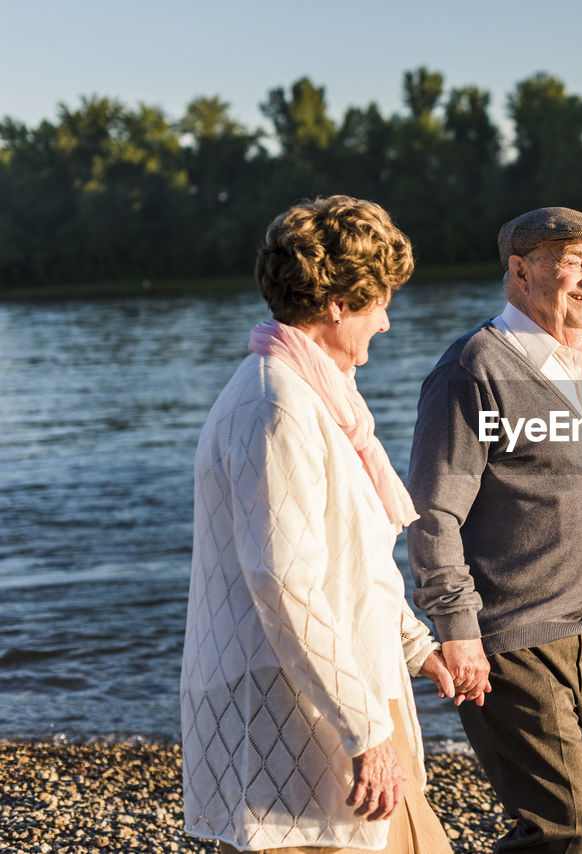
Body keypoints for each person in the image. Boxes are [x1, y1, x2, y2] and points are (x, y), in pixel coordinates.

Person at [181, 195, 455, 854]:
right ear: (336, 302)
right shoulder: (276, 406)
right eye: (379, 301)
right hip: (301, 714)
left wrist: (416, 648)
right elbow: (286, 584)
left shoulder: (321, 397)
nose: (386, 322)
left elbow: (353, 560)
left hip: (351, 690)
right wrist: (363, 730)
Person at [407, 206, 582, 854]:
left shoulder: (573, 365)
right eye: (574, 262)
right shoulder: (473, 369)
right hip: (514, 640)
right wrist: (457, 632)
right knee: (563, 830)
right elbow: (433, 513)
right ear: (520, 270)